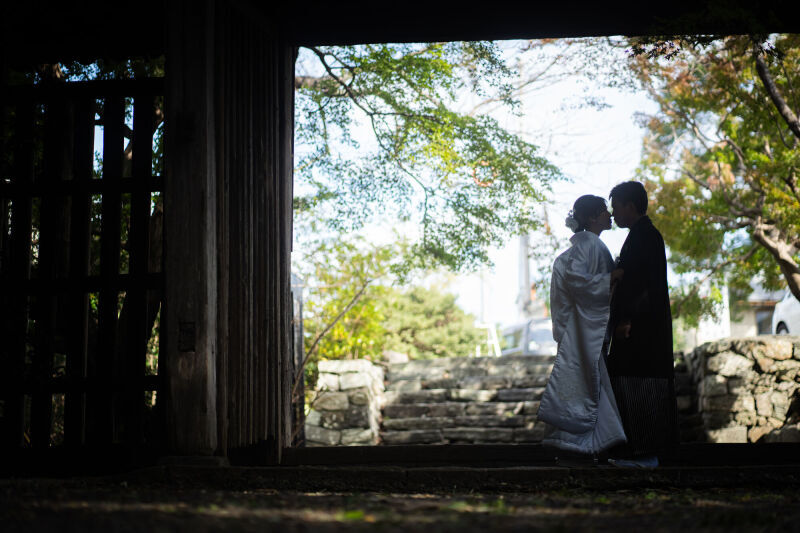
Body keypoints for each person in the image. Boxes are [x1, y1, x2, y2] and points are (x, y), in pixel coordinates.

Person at [538, 195, 627, 460]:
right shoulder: (590, 245)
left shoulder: (584, 247)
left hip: (583, 327)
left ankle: (581, 445)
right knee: (590, 386)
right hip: (586, 328)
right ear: (591, 218)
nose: (609, 215)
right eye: (603, 212)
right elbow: (580, 282)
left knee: (585, 386)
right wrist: (610, 278)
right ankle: (585, 446)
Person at [606, 181, 678, 468]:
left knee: (640, 388)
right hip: (643, 328)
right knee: (633, 385)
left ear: (630, 206)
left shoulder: (644, 236)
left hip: (641, 330)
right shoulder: (642, 235)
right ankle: (639, 452)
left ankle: (644, 454)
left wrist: (627, 320)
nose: (613, 215)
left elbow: (641, 287)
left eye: (616, 207)